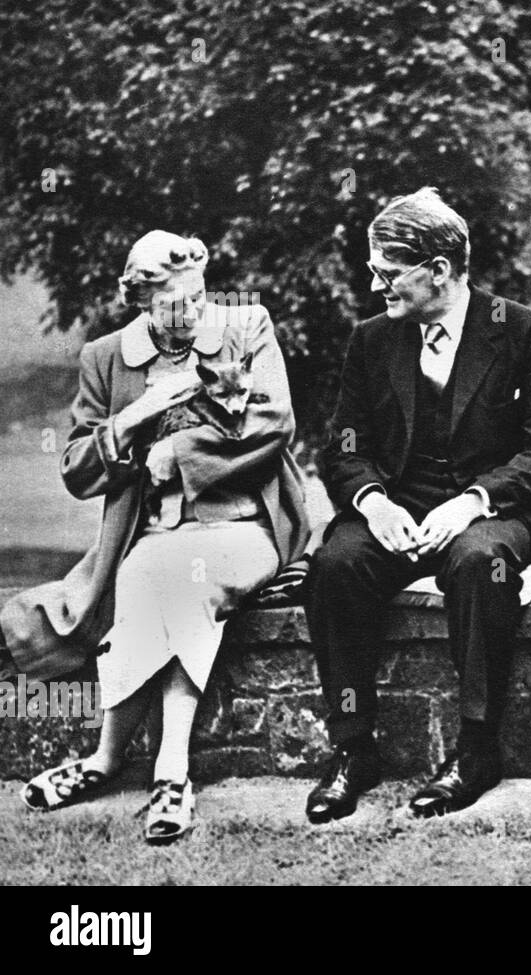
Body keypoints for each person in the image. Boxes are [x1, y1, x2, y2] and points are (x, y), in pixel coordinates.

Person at [3, 230, 310, 843]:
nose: (192, 312)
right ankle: (113, 763)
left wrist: (176, 451)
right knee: (144, 573)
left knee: (172, 579)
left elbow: (274, 422)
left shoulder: (247, 326)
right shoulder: (106, 356)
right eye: (174, 304)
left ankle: (164, 770)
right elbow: (77, 471)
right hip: (152, 531)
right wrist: (135, 418)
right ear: (141, 302)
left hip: (242, 524)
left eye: (198, 296)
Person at [304, 187, 531, 823]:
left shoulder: (523, 332)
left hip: (503, 505)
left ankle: (476, 749)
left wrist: (474, 502)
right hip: (401, 503)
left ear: (440, 270)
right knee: (335, 567)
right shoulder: (372, 342)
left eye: (388, 274)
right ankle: (351, 749)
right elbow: (343, 447)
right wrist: (373, 504)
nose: (377, 288)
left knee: (481, 563)